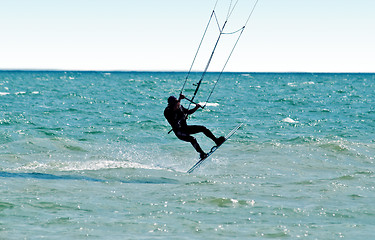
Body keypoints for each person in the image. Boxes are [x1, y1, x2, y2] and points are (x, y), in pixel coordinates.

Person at [164, 94, 225, 159]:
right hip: (179, 132)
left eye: (177, 103)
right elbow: (174, 120)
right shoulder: (167, 112)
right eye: (175, 104)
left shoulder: (179, 106)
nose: (177, 105)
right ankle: (202, 154)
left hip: (185, 128)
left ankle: (216, 141)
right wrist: (182, 117)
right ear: (171, 105)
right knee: (192, 139)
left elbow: (189, 112)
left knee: (203, 128)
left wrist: (196, 107)